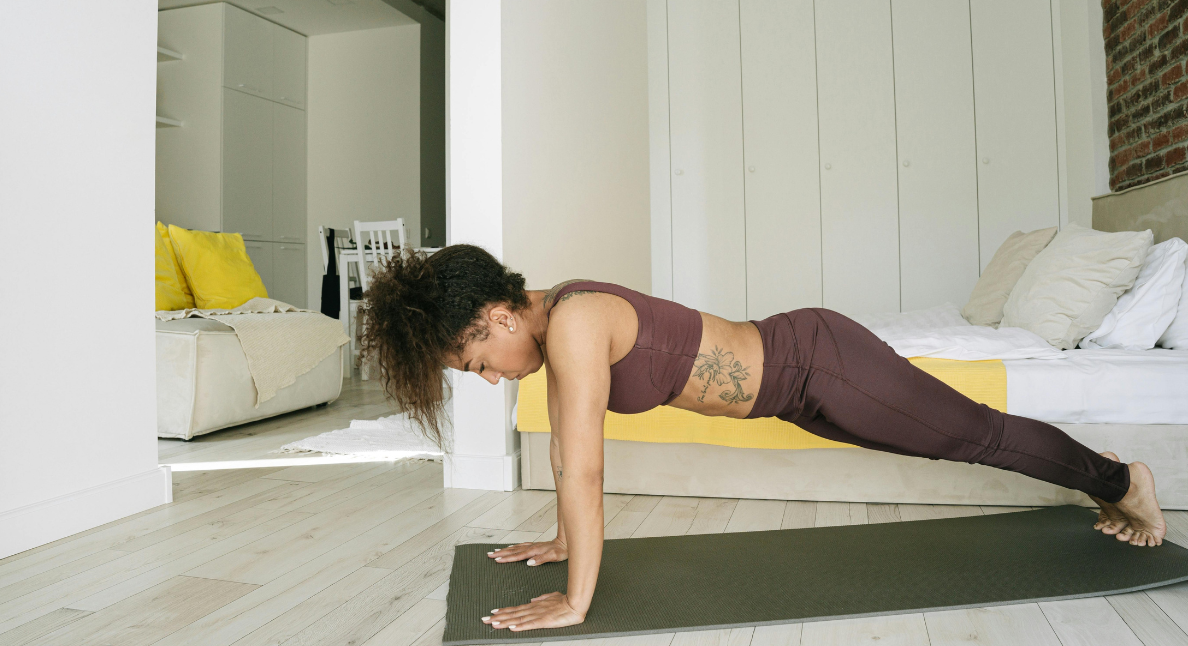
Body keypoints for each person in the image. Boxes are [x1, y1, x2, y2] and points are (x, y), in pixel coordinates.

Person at [360, 244, 1166, 633]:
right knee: (952, 440)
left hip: (821, 364)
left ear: (497, 317)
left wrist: (578, 599)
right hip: (798, 392)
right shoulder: (560, 318)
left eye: (477, 361)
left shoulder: (572, 322)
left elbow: (585, 468)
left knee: (976, 436)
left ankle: (1120, 478)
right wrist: (562, 542)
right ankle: (1110, 476)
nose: (493, 378)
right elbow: (574, 454)